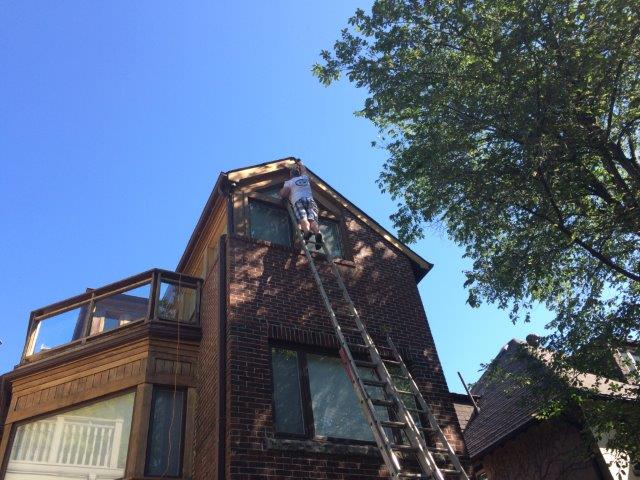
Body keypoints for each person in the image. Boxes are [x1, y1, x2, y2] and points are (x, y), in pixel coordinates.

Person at [279, 160, 323, 249]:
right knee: (312, 220)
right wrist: (300, 163)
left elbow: (284, 193)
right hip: (310, 200)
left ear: (291, 175)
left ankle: (307, 232)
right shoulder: (305, 177)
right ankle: (317, 233)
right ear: (298, 173)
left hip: (298, 201)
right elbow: (304, 170)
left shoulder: (289, 182)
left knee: (303, 218)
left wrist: (280, 192)